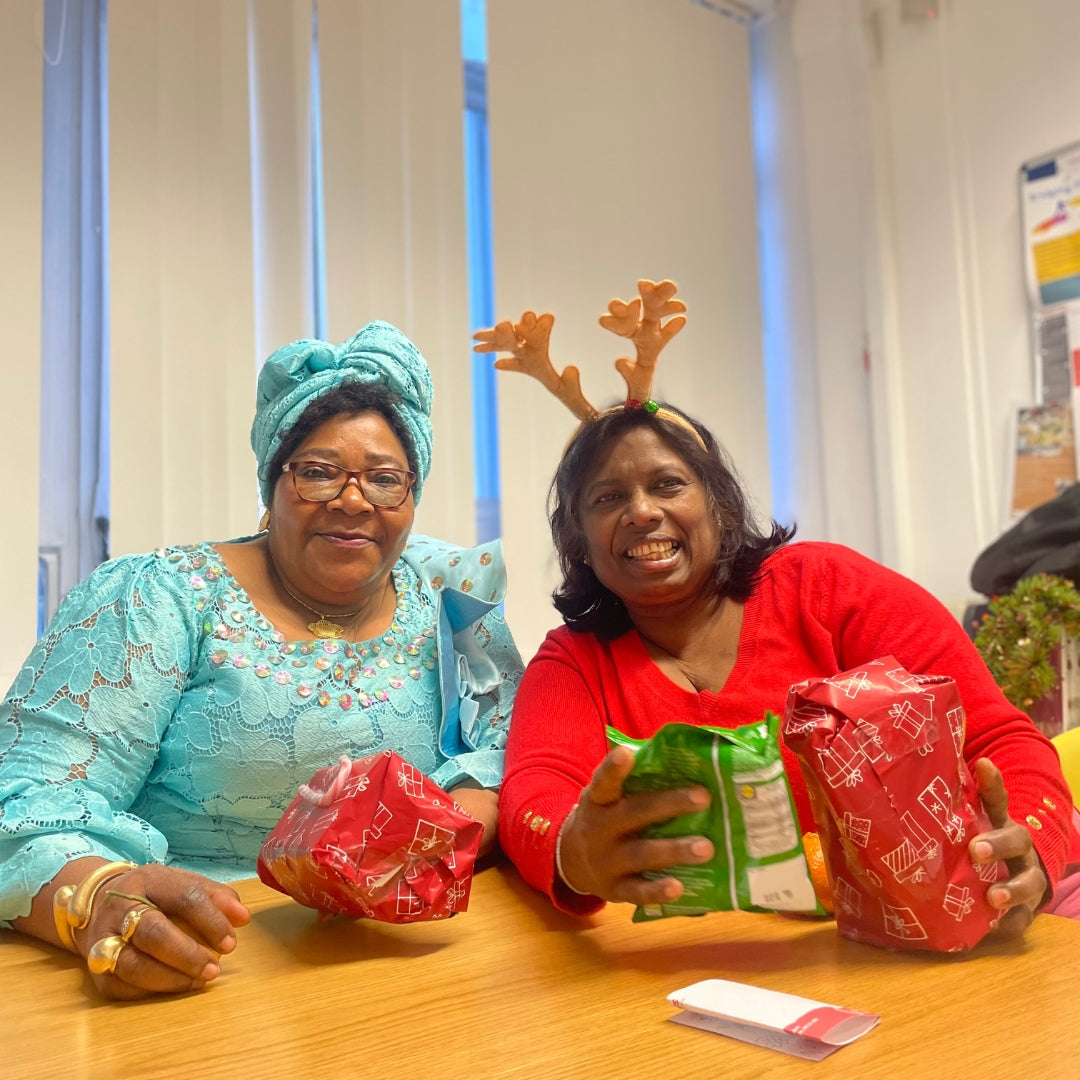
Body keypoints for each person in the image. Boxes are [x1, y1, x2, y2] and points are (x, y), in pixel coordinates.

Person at [478, 280, 1080, 939]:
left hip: (917, 945)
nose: (642, 510)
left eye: (668, 484)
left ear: (721, 508)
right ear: (581, 547)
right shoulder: (574, 662)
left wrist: (1033, 848)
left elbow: (999, 738)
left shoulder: (828, 589)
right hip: (676, 985)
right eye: (606, 498)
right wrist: (575, 851)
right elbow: (534, 796)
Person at [0, 321, 523, 999]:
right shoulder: (162, 597)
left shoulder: (456, 615)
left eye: (385, 480)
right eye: (318, 472)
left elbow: (514, 759)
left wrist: (453, 825)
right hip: (196, 959)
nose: (353, 499)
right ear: (271, 482)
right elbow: (25, 801)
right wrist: (100, 893)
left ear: (411, 499)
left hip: (403, 963)